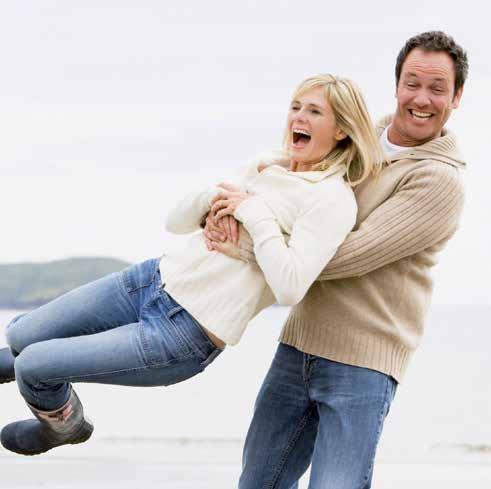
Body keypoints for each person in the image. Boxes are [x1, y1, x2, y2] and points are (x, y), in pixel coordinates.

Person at [0, 74, 384, 457]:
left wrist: (254, 213)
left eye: (314, 112)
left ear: (341, 130)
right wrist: (212, 203)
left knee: (33, 366)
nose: (298, 117)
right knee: (20, 335)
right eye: (296, 107)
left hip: (183, 333)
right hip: (149, 280)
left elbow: (291, 285)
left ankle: (62, 425)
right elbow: (174, 222)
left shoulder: (332, 200)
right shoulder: (268, 165)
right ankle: (34, 384)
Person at [204, 31, 468, 489]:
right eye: (412, 83)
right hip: (298, 346)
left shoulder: (439, 181)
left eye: (437, 88)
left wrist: (242, 243)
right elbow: (290, 191)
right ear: (397, 85)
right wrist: (225, 212)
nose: (421, 99)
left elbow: (347, 256)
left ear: (457, 97)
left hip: (363, 367)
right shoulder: (355, 142)